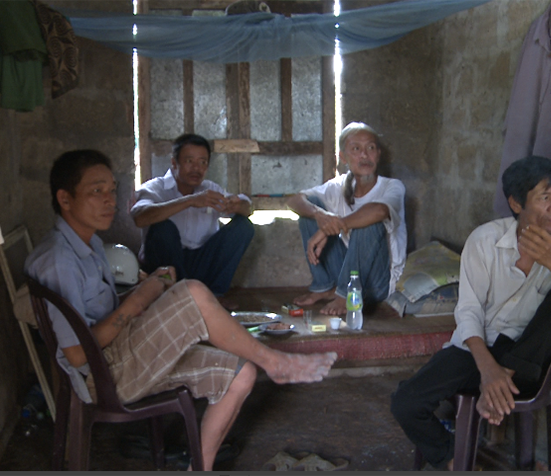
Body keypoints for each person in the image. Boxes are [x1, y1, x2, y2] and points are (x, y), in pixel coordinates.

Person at [25, 150, 337, 471]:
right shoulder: (59, 261)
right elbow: (77, 354)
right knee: (193, 292)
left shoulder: (87, 244)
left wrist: (148, 289)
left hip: (122, 353)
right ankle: (275, 362)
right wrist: (140, 299)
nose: (110, 200)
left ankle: (199, 468)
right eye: (96, 191)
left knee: (241, 374)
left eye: (112, 190)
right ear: (65, 199)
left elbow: (102, 312)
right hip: (103, 375)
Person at [390, 156, 551, 470]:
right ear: (516, 203)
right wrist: (489, 371)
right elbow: (468, 311)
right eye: (545, 197)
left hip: (530, 359)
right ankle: (456, 461)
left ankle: (502, 383)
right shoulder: (485, 240)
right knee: (406, 402)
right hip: (475, 350)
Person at [286, 122, 407, 316]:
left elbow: (379, 211)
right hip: (344, 272)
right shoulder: (339, 186)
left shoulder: (393, 186)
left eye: (371, 148)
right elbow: (294, 200)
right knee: (312, 208)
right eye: (356, 149)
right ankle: (325, 287)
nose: (364, 155)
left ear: (378, 154)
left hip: (377, 281)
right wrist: (320, 216)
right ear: (343, 157)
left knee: (369, 220)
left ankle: (346, 294)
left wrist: (328, 229)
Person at [130, 134, 254, 300]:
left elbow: (248, 207)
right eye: (189, 161)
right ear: (174, 163)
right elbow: (139, 217)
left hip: (201, 263)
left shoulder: (210, 189)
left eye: (203, 162)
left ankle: (215, 296)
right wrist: (190, 201)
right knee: (162, 228)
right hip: (168, 266)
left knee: (244, 226)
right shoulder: (155, 188)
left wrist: (237, 205)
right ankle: (175, 296)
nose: (196, 168)